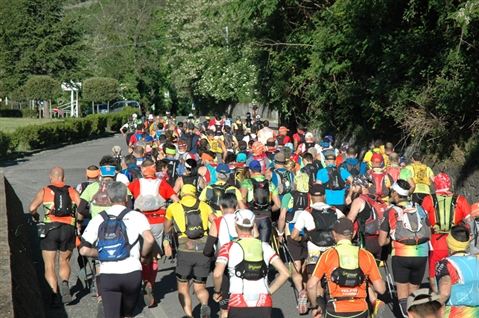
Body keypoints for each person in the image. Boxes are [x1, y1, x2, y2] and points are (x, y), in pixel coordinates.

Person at [79, 181, 155, 318]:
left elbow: (83, 250)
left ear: (108, 199)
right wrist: (143, 255)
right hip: (132, 273)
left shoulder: (98, 219)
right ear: (126, 197)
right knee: (128, 315)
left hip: (108, 275)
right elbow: (149, 239)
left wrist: (100, 253)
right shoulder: (137, 216)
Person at [213, 209, 290, 318]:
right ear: (254, 225)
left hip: (238, 301)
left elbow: (217, 274)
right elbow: (285, 273)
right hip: (263, 302)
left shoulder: (228, 247)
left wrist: (217, 291)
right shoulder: (265, 247)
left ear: (235, 224)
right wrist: (268, 291)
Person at [306, 218, 386, 318]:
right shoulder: (366, 255)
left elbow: (311, 285)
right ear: (353, 234)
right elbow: (381, 289)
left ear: (334, 234)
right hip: (360, 310)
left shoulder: (327, 255)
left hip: (335, 311)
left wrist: (315, 307)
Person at [128, 159, 179, 307]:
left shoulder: (136, 184)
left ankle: (144, 281)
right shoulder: (162, 184)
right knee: (155, 256)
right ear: (154, 169)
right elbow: (176, 201)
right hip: (159, 222)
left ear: (142, 170)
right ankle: (151, 284)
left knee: (143, 255)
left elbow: (123, 195)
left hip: (140, 222)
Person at [29, 167, 81, 307]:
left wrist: (36, 216)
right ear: (63, 178)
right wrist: (79, 222)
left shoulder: (44, 191)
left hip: (50, 229)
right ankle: (65, 284)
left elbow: (32, 208)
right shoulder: (71, 191)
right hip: (68, 229)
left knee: (49, 265)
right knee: (64, 261)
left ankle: (54, 295)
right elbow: (82, 208)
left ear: (50, 177)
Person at [378, 180, 431, 317]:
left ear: (395, 193)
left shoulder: (390, 211)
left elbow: (382, 241)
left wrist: (393, 237)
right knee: (414, 292)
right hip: (421, 254)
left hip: (401, 255)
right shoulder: (420, 209)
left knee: (402, 295)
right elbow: (428, 232)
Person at [163, 184, 216, 318]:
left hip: (184, 250)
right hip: (203, 251)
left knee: (183, 287)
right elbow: (216, 222)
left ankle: (189, 315)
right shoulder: (204, 205)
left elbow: (167, 228)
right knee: (200, 286)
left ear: (181, 193)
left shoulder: (173, 207)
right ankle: (204, 304)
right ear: (194, 193)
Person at [421, 172, 471, 292]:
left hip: (435, 243)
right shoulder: (460, 200)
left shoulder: (428, 200)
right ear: (450, 184)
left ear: (435, 185)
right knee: (455, 271)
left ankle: (437, 299)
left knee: (434, 275)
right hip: (455, 242)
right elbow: (470, 222)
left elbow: (422, 220)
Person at [435, 225, 479, 317]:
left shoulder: (445, 264)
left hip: (454, 312)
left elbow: (445, 293)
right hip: (476, 312)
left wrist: (430, 308)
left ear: (449, 242)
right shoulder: (476, 260)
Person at [240, 160, 281, 242]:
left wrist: (246, 205)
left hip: (252, 217)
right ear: (261, 170)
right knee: (265, 246)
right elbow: (278, 205)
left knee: (252, 245)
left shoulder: (247, 182)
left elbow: (243, 196)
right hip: (266, 217)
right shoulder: (269, 183)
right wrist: (269, 209)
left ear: (250, 170)